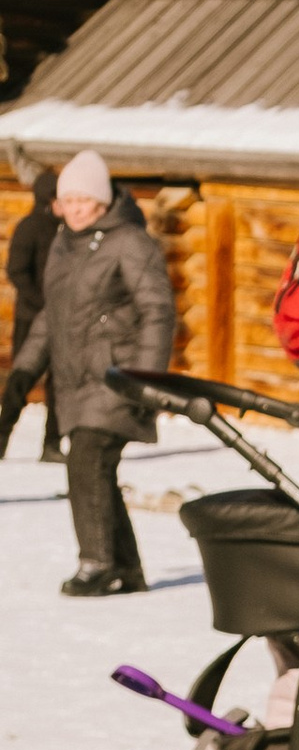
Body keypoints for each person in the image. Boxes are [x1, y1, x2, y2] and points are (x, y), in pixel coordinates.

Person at [5, 147, 174, 594]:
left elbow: (158, 311)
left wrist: (144, 382)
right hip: (73, 382)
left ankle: (97, 564)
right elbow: (52, 315)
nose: (76, 209)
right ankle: (128, 569)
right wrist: (23, 372)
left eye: (85, 200)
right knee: (96, 468)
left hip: (116, 378)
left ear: (102, 201)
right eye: (69, 200)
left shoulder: (130, 242)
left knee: (87, 461)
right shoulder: (64, 242)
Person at [0, 165, 59, 461]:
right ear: (48, 198)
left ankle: (52, 446)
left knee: (60, 383)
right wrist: (41, 304)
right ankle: (1, 439)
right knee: (20, 383)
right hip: (30, 317)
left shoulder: (68, 231)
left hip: (60, 322)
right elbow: (17, 272)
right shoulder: (29, 228)